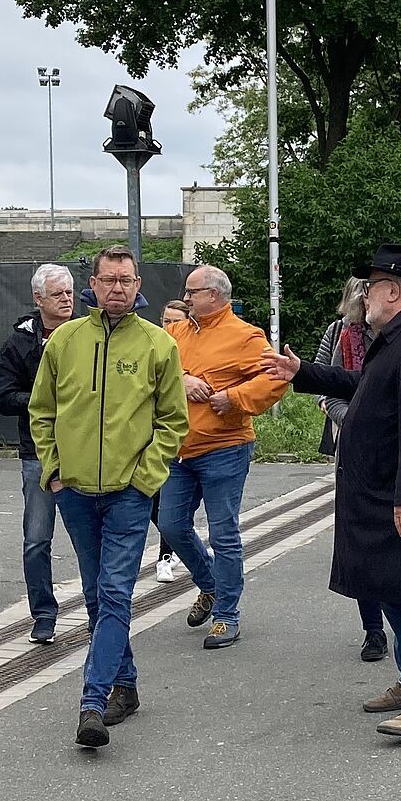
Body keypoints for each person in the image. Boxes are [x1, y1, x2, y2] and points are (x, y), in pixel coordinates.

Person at [263, 243, 401, 741]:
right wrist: (303, 373)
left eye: (371, 286)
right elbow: (369, 388)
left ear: (392, 291)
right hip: (380, 489)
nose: (364, 295)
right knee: (391, 584)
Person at [34, 246, 189, 750]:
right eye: (108, 280)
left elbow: (173, 420)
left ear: (138, 284)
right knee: (97, 594)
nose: (117, 288)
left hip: (129, 493)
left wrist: (146, 478)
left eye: (126, 280)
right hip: (75, 491)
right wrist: (54, 470)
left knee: (116, 593)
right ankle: (126, 684)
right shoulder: (65, 340)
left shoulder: (158, 344)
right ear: (94, 285)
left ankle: (92, 702)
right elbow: (41, 410)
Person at [161, 264, 286, 651]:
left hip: (225, 448)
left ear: (213, 295)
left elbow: (275, 378)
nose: (185, 298)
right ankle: (212, 584)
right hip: (179, 449)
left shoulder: (245, 336)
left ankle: (226, 615)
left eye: (192, 292)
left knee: (223, 533)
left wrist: (232, 398)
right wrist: (182, 379)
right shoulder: (175, 333)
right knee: (170, 525)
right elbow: (155, 371)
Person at [0, 263, 79, 646]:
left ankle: (100, 610)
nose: (66, 299)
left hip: (84, 452)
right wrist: (44, 400)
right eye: (58, 294)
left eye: (69, 292)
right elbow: (3, 397)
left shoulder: (87, 334)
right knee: (37, 539)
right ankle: (43, 614)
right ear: (38, 298)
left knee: (88, 536)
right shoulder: (18, 343)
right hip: (37, 454)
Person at [314, 277, 387, 661]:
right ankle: (373, 630)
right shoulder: (340, 333)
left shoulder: (396, 335)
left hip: (392, 446)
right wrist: (355, 420)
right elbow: (327, 390)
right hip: (352, 447)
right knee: (358, 542)